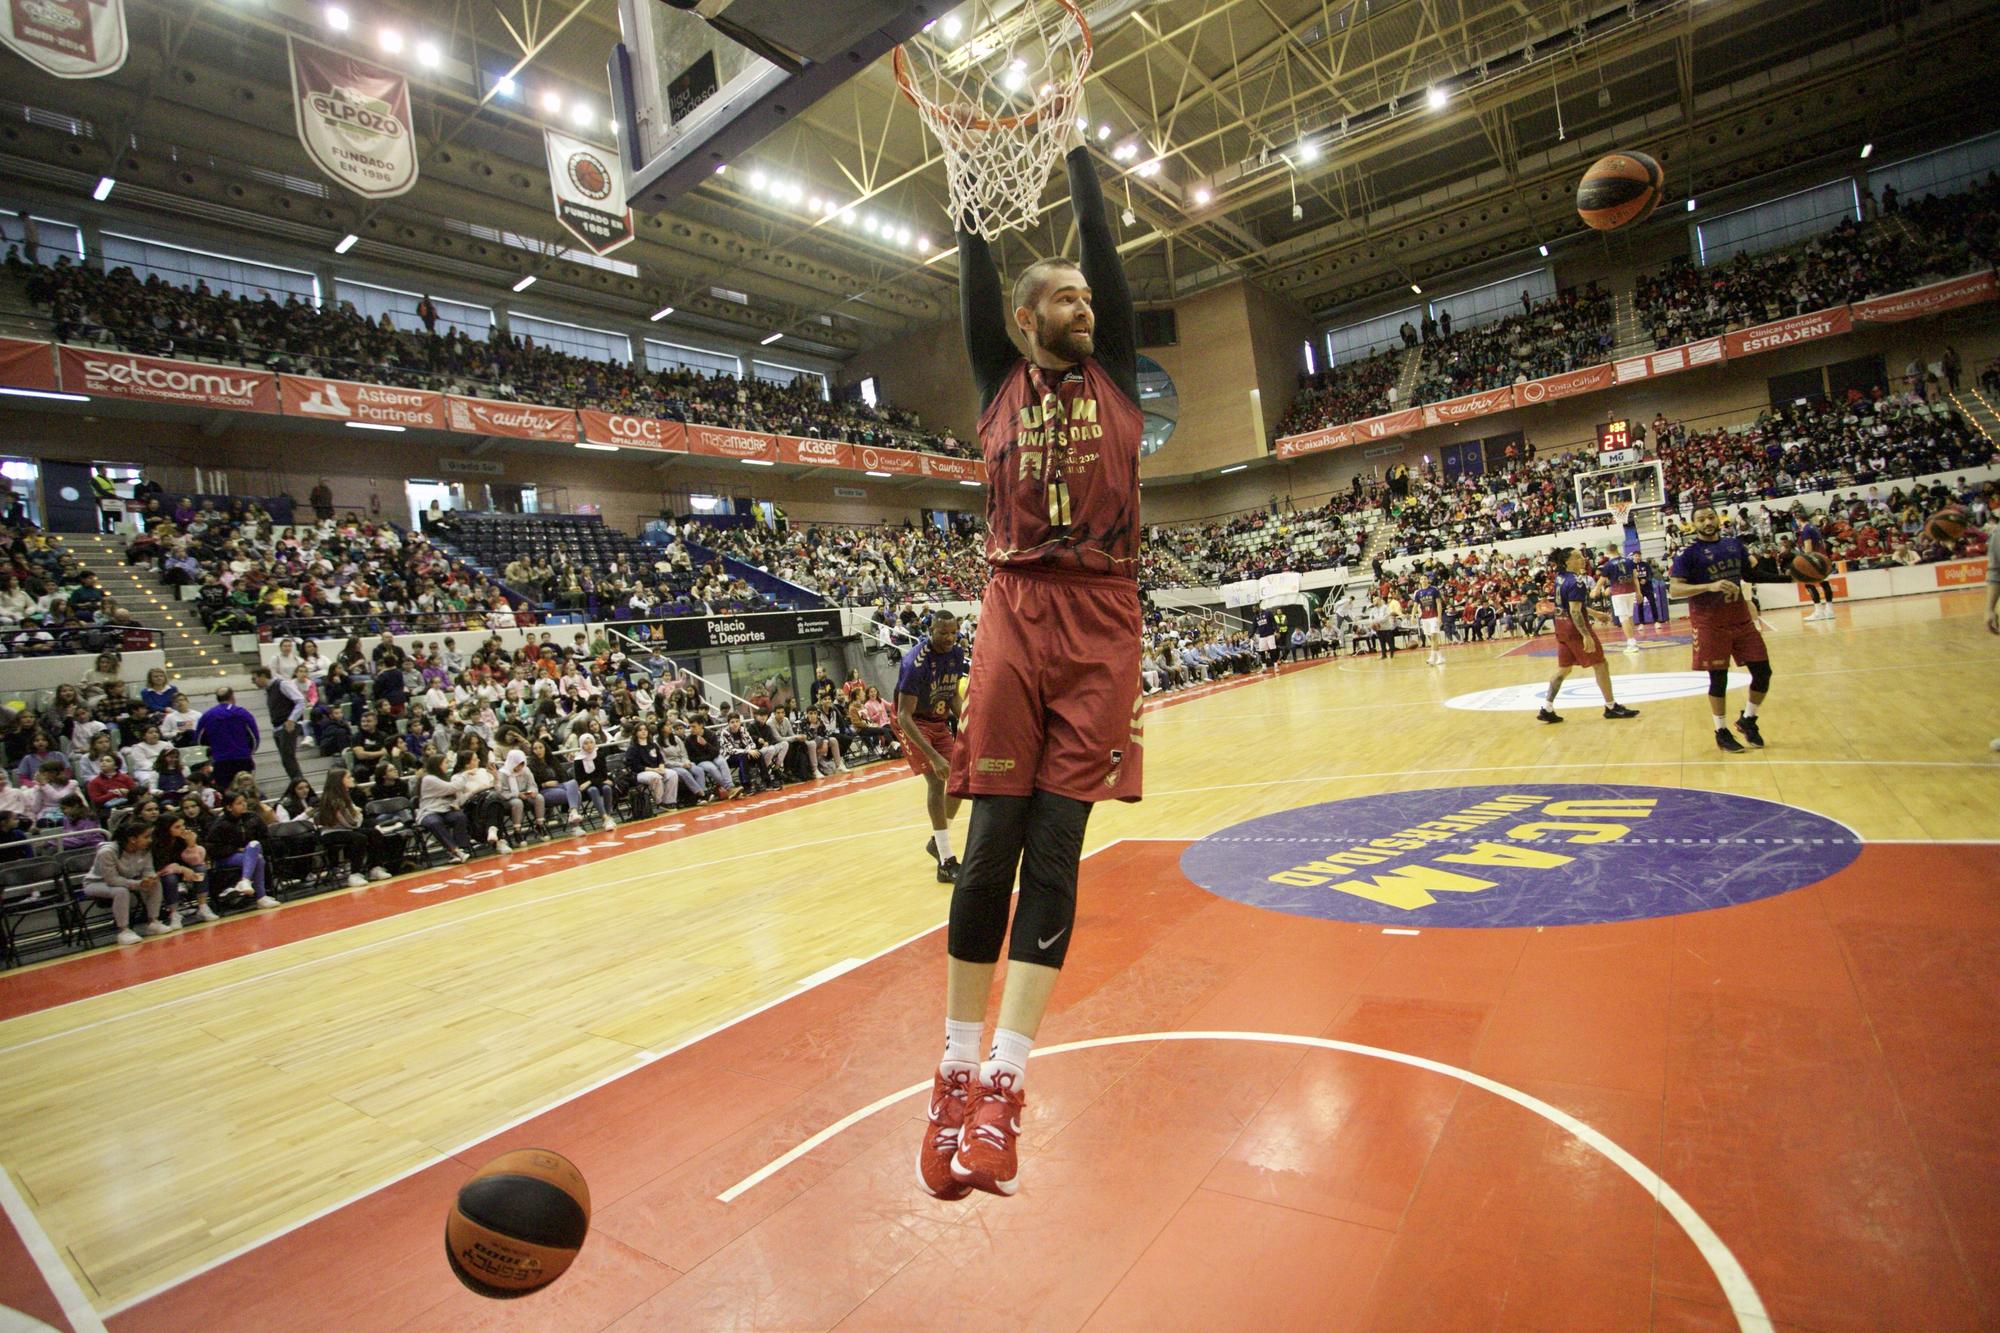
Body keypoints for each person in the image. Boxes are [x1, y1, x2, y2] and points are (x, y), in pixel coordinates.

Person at [917, 124, 1144, 1202]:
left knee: (1057, 849)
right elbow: (972, 271)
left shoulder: (1121, 381)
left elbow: (1102, 248)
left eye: (1088, 297)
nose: (1083, 307)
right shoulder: (993, 380)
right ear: (1022, 321)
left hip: (1102, 618)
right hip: (1012, 606)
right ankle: (952, 1075)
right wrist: (967, 170)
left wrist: (1073, 150)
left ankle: (1006, 1085)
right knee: (989, 846)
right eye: (1062, 298)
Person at [1668, 506, 1773, 753]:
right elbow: (1675, 590)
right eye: (1701, 519)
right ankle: (1721, 731)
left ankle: (1748, 720)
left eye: (1710, 517)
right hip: (1709, 623)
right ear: (1693, 524)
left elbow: (1751, 573)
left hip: (1740, 619)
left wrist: (1790, 576)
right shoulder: (1688, 555)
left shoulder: (1734, 545)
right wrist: (1710, 586)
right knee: (1718, 679)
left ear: (1718, 519)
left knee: (1763, 672)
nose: (1707, 522)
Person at [894, 611, 968, 884]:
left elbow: (952, 699)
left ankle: (938, 841)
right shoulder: (916, 662)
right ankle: (946, 862)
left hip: (937, 720)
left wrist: (970, 726)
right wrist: (934, 756)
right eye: (943, 633)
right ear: (931, 631)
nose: (949, 638)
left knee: (961, 778)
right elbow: (903, 715)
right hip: (913, 722)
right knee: (937, 783)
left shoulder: (957, 654)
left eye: (953, 633)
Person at [1536, 548, 1639, 724]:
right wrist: (1586, 635)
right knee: (1600, 664)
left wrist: (1595, 614)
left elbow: (1571, 606)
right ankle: (1611, 706)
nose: (1583, 559)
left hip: (1560, 627)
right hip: (1574, 629)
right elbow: (1575, 612)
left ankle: (1547, 708)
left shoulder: (1560, 577)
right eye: (1577, 557)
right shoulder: (1576, 581)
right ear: (1567, 562)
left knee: (1564, 669)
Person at [82, 819, 167, 945]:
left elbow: (148, 869)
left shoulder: (145, 849)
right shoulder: (107, 852)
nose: (150, 840)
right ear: (132, 839)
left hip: (127, 880)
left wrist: (150, 878)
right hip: (97, 883)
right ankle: (124, 931)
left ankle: (153, 922)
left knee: (155, 884)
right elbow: (112, 880)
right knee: (121, 891)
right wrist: (138, 884)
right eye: (146, 837)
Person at [196, 688, 261, 790]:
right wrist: (249, 752)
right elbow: (254, 737)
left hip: (220, 761)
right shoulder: (242, 713)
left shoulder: (207, 716)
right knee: (245, 791)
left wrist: (212, 752)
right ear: (232, 697)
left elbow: (200, 740)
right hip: (242, 758)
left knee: (225, 792)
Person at [1599, 547, 1642, 654]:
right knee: (1629, 616)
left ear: (1608, 552)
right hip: (1630, 591)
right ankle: (1633, 640)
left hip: (1618, 593)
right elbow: (1635, 577)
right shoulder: (1629, 561)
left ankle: (1631, 643)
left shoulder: (1608, 564)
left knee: (1623, 618)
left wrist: (1595, 589)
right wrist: (1638, 592)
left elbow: (1602, 579)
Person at [1796, 514, 1836, 622]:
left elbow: (1808, 547)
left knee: (1808, 583)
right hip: (1823, 558)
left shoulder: (1806, 530)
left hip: (1814, 560)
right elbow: (1822, 543)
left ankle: (1818, 612)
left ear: (1799, 520)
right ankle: (1830, 610)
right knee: (1824, 583)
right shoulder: (1814, 527)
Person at [1414, 576, 1444, 666]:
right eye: (1422, 579)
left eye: (1425, 578)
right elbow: (1415, 606)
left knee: (1434, 638)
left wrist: (1439, 617)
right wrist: (1412, 616)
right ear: (1419, 581)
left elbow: (1439, 603)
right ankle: (1440, 657)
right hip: (1424, 618)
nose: (1423, 580)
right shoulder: (1418, 593)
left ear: (1428, 580)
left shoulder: (1434, 590)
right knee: (1432, 639)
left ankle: (1432, 658)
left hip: (1433, 617)